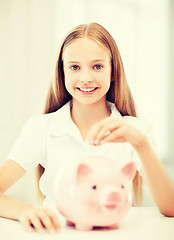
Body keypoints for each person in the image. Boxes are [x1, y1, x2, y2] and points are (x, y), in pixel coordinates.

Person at [0, 22, 174, 234]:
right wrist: (22, 211)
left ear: (112, 71)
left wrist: (140, 143)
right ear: (62, 73)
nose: (86, 78)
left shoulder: (137, 131)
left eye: (97, 66)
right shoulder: (41, 129)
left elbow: (170, 208)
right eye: (74, 67)